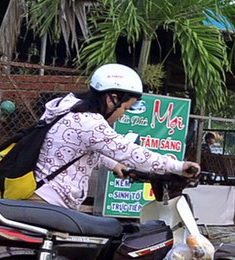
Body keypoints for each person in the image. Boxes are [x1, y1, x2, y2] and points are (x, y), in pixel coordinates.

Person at [33, 63, 199, 210]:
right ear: (111, 99)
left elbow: (79, 149)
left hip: (42, 193)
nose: (122, 114)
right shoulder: (89, 122)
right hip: (51, 201)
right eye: (125, 108)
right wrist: (178, 166)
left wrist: (114, 165)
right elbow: (128, 152)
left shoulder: (66, 107)